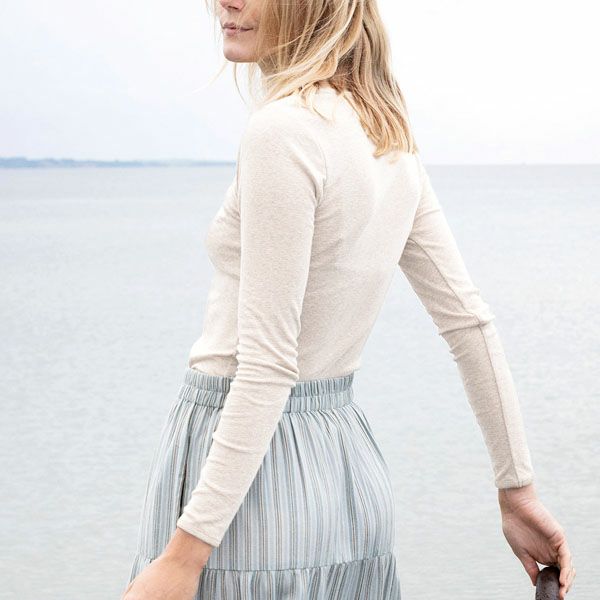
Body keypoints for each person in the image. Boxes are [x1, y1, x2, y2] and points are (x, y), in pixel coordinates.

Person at [122, 0, 576, 598]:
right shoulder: (386, 137)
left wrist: (185, 556)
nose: (224, 2)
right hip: (344, 474)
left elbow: (267, 368)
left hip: (245, 487)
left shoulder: (282, 132)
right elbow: (470, 324)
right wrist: (517, 489)